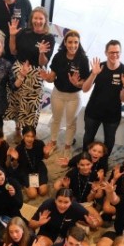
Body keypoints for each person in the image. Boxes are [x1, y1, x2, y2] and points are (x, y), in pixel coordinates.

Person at [6, 6, 54, 136]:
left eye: (41, 18)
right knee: (16, 101)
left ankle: (28, 133)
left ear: (45, 20)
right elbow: (13, 51)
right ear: (31, 19)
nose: (38, 21)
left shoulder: (49, 38)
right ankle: (17, 128)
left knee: (31, 107)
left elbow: (43, 62)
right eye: (35, 18)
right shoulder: (24, 32)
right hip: (19, 70)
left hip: (35, 75)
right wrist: (12, 36)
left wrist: (42, 53)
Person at [42, 30, 91, 158]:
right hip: (58, 93)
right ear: (65, 42)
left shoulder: (83, 59)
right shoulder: (58, 56)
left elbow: (85, 83)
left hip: (74, 96)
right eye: (70, 42)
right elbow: (52, 77)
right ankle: (53, 143)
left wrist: (77, 83)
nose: (73, 45)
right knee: (56, 119)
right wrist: (46, 77)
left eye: (76, 42)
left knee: (70, 123)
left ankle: (67, 146)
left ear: (79, 43)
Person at [82, 40, 124, 154]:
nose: (114, 55)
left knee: (109, 141)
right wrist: (93, 74)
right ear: (106, 53)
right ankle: (84, 159)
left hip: (112, 115)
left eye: (117, 52)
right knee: (88, 138)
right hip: (93, 111)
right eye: (111, 52)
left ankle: (102, 163)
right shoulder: (99, 67)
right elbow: (85, 89)